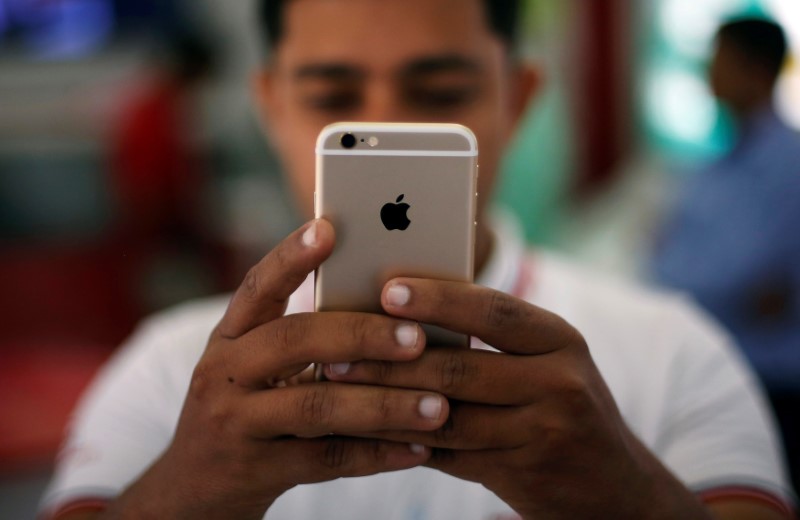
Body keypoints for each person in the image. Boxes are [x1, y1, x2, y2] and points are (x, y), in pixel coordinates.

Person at [41, 2, 795, 518]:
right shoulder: (172, 372)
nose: (386, 126)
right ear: (269, 106)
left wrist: (626, 498)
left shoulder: (677, 352)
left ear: (519, 99)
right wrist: (191, 487)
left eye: (439, 91)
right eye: (332, 92)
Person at [651, 18, 800, 492]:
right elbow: (659, 256)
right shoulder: (716, 164)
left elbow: (750, 279)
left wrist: (678, 279)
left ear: (755, 70)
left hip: (773, 387)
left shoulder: (788, 165)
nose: (707, 73)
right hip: (717, 370)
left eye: (718, 60)